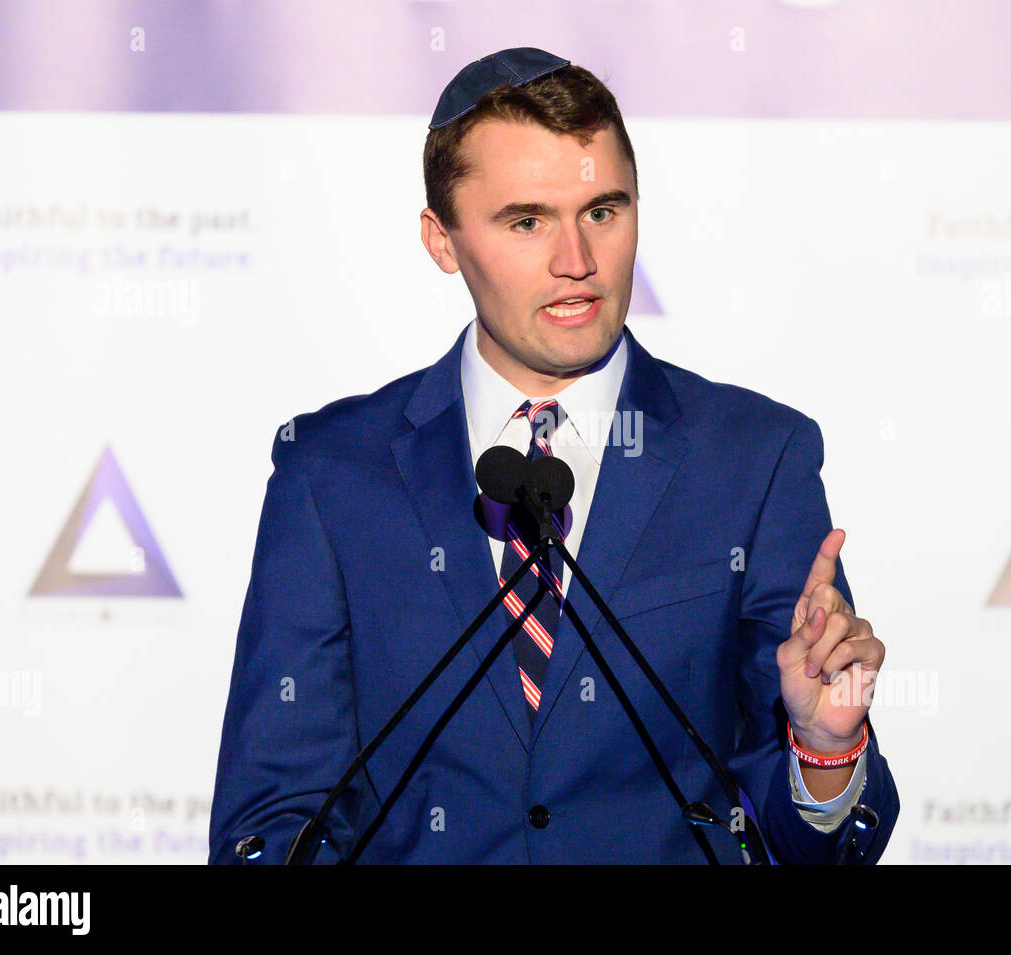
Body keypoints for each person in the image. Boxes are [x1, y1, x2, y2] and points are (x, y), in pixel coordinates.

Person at [208, 47, 898, 864]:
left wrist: (822, 750)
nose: (577, 260)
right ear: (442, 240)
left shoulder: (754, 461)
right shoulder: (330, 474)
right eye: (527, 221)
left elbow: (815, 849)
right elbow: (272, 820)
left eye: (603, 211)